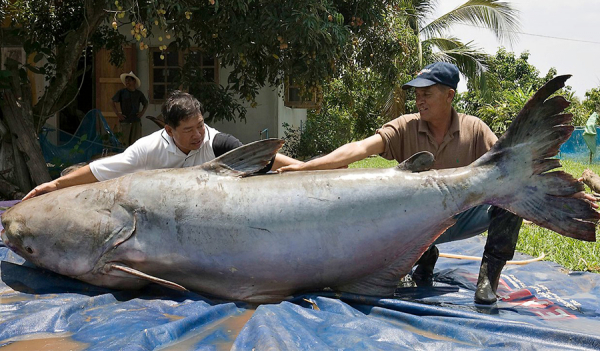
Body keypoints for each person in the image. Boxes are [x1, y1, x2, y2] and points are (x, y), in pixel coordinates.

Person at [277, 62, 521, 304]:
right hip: (414, 224)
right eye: (416, 95)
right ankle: (424, 256)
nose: (419, 100)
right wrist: (304, 167)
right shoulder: (406, 126)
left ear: (449, 95)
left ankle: (488, 279)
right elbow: (360, 147)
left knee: (511, 198)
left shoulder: (475, 129)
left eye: (426, 93)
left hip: (462, 216)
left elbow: (506, 166)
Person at [24, 91, 300, 201]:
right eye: (189, 130)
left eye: (201, 125)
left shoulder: (217, 143)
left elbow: (266, 160)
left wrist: (308, 169)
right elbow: (100, 171)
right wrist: (56, 186)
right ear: (168, 130)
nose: (198, 134)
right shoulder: (147, 150)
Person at [112, 71, 149, 147]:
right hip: (125, 121)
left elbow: (145, 103)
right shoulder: (122, 92)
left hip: (135, 121)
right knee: (123, 142)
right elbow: (112, 102)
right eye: (126, 80)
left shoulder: (138, 94)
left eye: (129, 80)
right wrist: (118, 114)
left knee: (135, 143)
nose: (127, 82)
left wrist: (141, 113)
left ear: (134, 81)